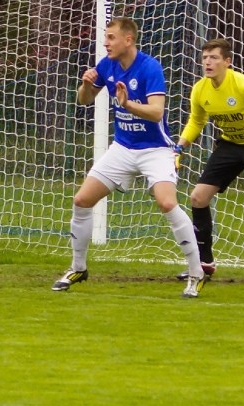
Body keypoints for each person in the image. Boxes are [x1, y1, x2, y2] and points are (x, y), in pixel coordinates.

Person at [51, 17, 204, 297]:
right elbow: (83, 100)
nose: (105, 42)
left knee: (167, 203)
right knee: (82, 200)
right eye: (105, 37)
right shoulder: (106, 65)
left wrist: (127, 104)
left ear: (128, 40)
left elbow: (157, 112)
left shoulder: (149, 67)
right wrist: (86, 84)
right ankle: (78, 267)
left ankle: (196, 273)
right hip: (122, 148)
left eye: (111, 37)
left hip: (155, 149)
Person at [174, 38, 244, 280]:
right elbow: (196, 121)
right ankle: (205, 263)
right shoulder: (201, 89)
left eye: (214, 58)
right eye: (205, 58)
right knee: (198, 197)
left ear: (227, 62)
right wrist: (179, 147)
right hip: (230, 145)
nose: (208, 62)